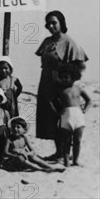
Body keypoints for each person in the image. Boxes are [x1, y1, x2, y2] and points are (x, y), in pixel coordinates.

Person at [35, 10, 88, 160]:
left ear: (61, 23)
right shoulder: (47, 42)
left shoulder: (69, 42)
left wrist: (71, 81)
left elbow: (81, 64)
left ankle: (66, 153)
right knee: (51, 119)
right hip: (46, 84)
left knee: (64, 119)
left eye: (54, 23)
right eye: (48, 23)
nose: (51, 26)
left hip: (61, 87)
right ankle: (59, 152)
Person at [52, 64, 91, 167]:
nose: (65, 79)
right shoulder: (60, 90)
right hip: (66, 116)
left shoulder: (78, 89)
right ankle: (66, 161)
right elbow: (51, 101)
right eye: (63, 77)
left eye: (67, 77)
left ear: (73, 77)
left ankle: (75, 161)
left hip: (78, 115)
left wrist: (85, 110)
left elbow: (89, 100)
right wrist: (57, 111)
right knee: (66, 141)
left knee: (77, 140)